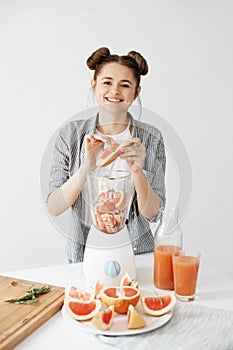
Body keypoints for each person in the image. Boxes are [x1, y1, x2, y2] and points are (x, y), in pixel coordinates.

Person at [47, 47, 166, 263]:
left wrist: (137, 170)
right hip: (83, 255)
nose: (115, 91)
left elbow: (153, 213)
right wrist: (87, 165)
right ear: (94, 85)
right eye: (107, 82)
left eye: (125, 85)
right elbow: (54, 207)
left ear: (136, 92)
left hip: (138, 255)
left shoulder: (151, 138)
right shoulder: (70, 134)